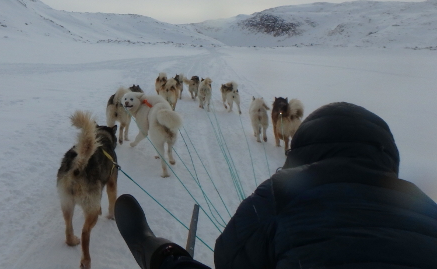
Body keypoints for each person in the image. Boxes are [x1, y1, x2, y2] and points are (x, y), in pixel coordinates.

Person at [115, 102, 437, 269]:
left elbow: (227, 259)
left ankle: (160, 255)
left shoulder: (280, 192)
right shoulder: (427, 209)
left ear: (301, 151)